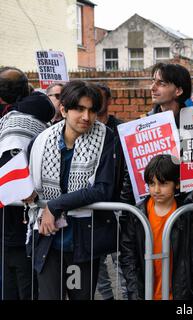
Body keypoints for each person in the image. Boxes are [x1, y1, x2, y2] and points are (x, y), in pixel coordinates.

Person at [25, 80, 117, 300]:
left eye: (92, 110)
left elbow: (103, 189)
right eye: (79, 109)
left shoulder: (107, 138)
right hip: (47, 238)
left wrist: (55, 206)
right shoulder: (41, 141)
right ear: (64, 109)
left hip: (82, 239)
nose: (86, 117)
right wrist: (27, 193)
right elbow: (26, 180)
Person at [0, 73, 55, 300]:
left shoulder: (14, 120)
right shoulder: (31, 114)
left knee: (22, 287)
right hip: (18, 220)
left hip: (20, 221)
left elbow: (10, 162)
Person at [120, 154, 193, 300]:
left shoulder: (187, 214)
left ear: (176, 184)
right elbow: (128, 257)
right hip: (146, 293)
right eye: (152, 184)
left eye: (163, 184)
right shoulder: (137, 215)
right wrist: (135, 294)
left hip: (179, 294)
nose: (156, 190)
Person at [94, 83, 129, 300]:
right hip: (94, 206)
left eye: (100, 99)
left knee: (122, 262)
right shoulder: (85, 130)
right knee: (97, 265)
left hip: (119, 205)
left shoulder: (122, 129)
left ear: (109, 101)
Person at [147, 63, 192, 128]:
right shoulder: (145, 123)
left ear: (178, 91)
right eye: (153, 81)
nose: (152, 88)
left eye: (161, 83)